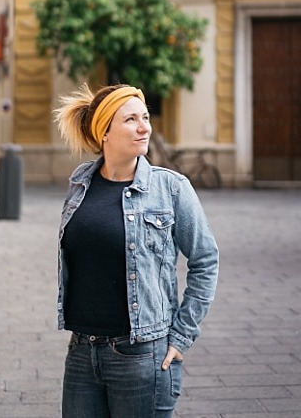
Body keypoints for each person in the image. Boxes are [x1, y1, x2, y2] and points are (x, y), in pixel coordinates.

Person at [53, 83, 220, 418]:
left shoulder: (170, 188)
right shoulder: (81, 183)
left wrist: (181, 336)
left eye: (145, 117)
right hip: (83, 352)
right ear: (105, 132)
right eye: (131, 119)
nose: (145, 126)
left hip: (143, 354)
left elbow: (205, 259)